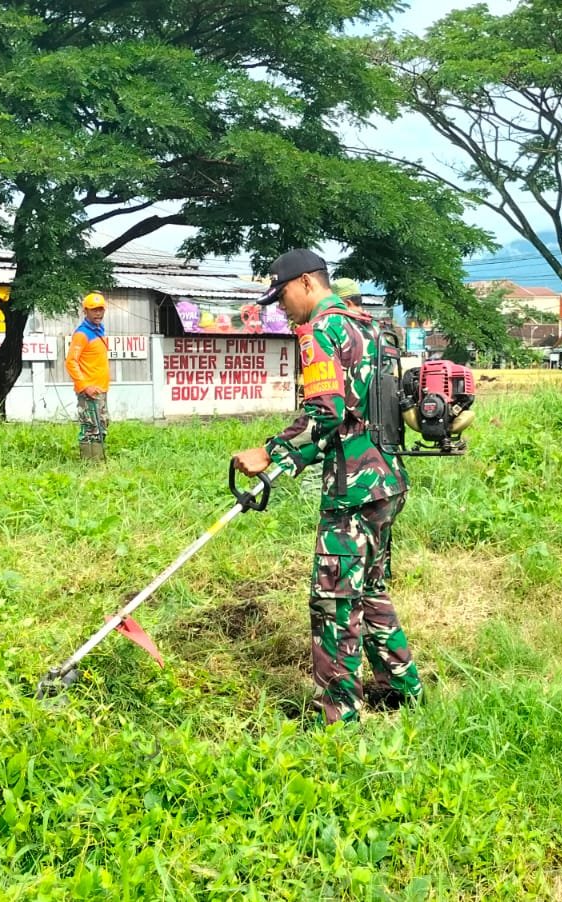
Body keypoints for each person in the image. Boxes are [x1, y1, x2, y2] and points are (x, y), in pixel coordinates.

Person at [231, 249, 421, 725]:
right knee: (369, 589)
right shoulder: (370, 327)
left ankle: (337, 716)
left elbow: (326, 413)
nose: (282, 307)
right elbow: (357, 412)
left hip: (353, 490)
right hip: (387, 481)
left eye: (282, 296)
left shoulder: (320, 330)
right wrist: (293, 458)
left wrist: (270, 452)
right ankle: (400, 688)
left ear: (307, 284)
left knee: (334, 599)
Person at [66, 291, 110, 459]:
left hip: (100, 389)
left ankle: (98, 462)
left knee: (102, 425)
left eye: (100, 309)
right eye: (94, 310)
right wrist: (85, 386)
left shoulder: (99, 330)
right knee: (91, 428)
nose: (98, 313)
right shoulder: (82, 334)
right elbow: (71, 362)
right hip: (89, 391)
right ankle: (90, 464)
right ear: (85, 311)